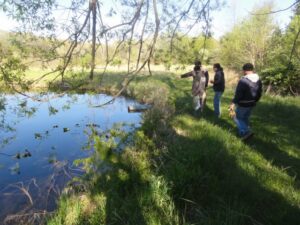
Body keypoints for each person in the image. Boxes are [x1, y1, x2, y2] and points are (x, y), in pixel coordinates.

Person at [229, 63, 262, 140]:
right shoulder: (258, 79)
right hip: (252, 102)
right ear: (252, 69)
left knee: (236, 117)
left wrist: (233, 103)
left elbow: (239, 93)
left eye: (243, 70)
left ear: (245, 71)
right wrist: (255, 100)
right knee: (245, 118)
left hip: (243, 103)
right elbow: (259, 92)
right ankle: (245, 133)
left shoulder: (243, 80)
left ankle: (246, 132)